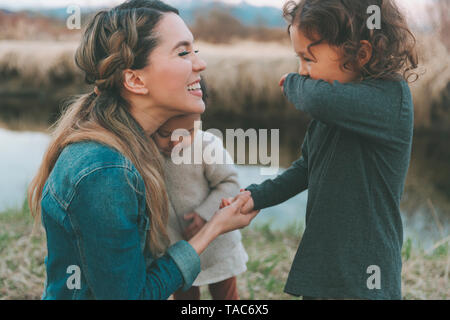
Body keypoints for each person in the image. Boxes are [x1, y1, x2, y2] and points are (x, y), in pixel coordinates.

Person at [27, 0, 258, 300]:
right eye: (183, 52)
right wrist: (213, 228)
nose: (199, 64)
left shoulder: (132, 148)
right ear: (135, 79)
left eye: (195, 50)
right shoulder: (106, 170)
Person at [232, 0, 418, 300]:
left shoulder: (391, 99)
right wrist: (257, 196)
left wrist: (292, 84)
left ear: (360, 53)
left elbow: (315, 100)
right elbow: (307, 167)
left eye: (308, 59)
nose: (301, 72)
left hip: (367, 274)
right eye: (298, 60)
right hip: (326, 265)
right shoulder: (335, 110)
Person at [153, 112, 248, 300]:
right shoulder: (146, 151)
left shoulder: (206, 145)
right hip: (175, 247)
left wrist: (204, 213)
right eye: (164, 134)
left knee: (226, 296)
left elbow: (229, 182)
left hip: (217, 245)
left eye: (185, 133)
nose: (175, 142)